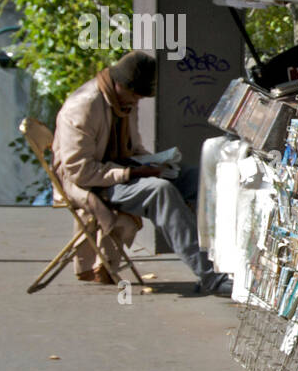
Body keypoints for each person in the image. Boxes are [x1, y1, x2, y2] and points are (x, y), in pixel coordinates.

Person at [51, 50, 231, 295]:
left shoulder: (124, 102)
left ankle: (227, 263)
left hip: (121, 169)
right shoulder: (82, 107)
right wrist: (131, 174)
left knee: (196, 178)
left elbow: (132, 148)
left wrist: (156, 164)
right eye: (134, 95)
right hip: (90, 183)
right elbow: (79, 171)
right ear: (119, 85)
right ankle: (210, 276)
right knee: (160, 192)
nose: (136, 102)